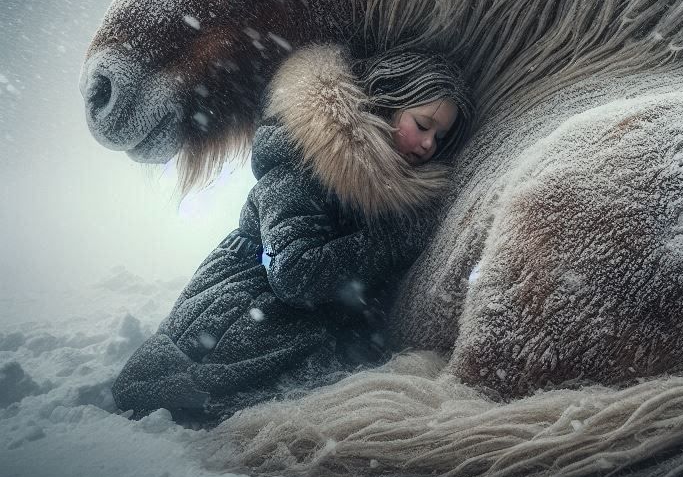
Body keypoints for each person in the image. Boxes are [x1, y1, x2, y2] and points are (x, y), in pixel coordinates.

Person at [111, 43, 473, 425]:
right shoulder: (300, 167)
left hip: (280, 321)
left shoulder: (382, 187)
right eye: (422, 125)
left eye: (441, 137)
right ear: (387, 103)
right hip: (229, 322)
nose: (430, 144)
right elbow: (296, 274)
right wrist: (393, 241)